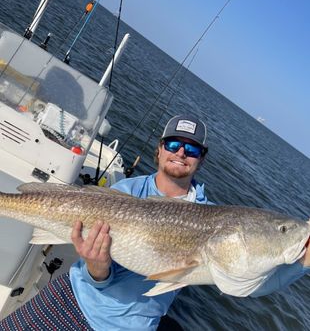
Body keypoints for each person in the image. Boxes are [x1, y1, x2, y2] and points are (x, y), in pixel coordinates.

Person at [1, 115, 309, 331]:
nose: (180, 153)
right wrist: (97, 267)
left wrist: (302, 262)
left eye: (191, 149)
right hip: (70, 297)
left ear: (201, 158)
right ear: (159, 149)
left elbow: (249, 282)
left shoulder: (215, 219)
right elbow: (97, 277)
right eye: (173, 144)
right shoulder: (127, 192)